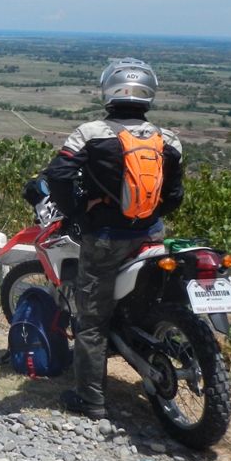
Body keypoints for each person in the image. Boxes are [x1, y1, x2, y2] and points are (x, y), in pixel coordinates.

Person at [41, 58, 184, 420]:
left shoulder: (91, 133)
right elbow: (174, 197)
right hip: (151, 236)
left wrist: (78, 210)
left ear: (108, 91)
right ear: (149, 93)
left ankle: (90, 399)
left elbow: (58, 175)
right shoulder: (168, 139)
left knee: (91, 320)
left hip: (105, 238)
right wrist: (146, 215)